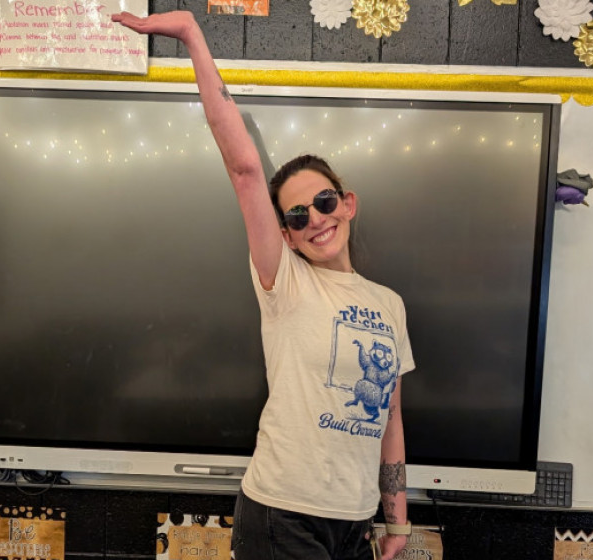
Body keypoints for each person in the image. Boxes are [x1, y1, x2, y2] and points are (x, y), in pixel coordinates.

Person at [112, 10, 415, 560]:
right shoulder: (284, 279)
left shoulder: (389, 304)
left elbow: (390, 418)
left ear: (347, 204)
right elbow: (244, 169)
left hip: (355, 520)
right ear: (287, 236)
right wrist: (192, 36)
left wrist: (396, 518)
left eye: (324, 201)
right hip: (283, 515)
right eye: (297, 216)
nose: (315, 219)